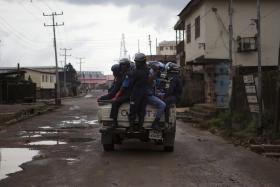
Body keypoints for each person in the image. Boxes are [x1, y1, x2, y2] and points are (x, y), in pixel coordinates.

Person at [128, 53, 150, 130]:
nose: (136, 63)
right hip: (144, 93)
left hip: (136, 93)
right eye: (136, 61)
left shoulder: (136, 72)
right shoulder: (147, 70)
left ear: (142, 62)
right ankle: (140, 127)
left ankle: (131, 127)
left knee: (133, 110)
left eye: (138, 62)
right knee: (141, 111)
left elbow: (131, 83)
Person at [109, 58, 133, 128]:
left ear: (128, 65)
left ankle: (114, 123)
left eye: (124, 65)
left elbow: (124, 86)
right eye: (122, 65)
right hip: (126, 94)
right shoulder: (123, 73)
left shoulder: (128, 74)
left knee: (115, 102)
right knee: (115, 101)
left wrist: (116, 97)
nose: (123, 66)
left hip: (129, 94)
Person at [146, 61, 166, 130]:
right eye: (159, 70)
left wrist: (160, 93)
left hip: (151, 94)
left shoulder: (153, 75)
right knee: (162, 105)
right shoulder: (150, 74)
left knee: (165, 96)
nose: (159, 72)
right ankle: (155, 123)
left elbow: (153, 88)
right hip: (147, 96)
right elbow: (149, 80)